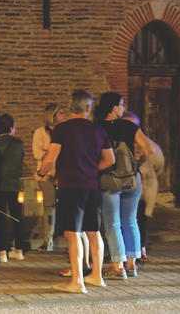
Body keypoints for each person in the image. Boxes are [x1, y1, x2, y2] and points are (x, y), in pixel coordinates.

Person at [38, 89, 115, 294]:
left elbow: (51, 157)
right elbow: (110, 159)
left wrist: (41, 171)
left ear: (71, 106)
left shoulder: (61, 130)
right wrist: (91, 169)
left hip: (70, 186)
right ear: (88, 108)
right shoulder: (98, 130)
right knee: (93, 231)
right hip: (91, 185)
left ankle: (77, 280)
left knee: (72, 233)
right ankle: (97, 275)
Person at [94, 92, 155, 280]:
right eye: (122, 104)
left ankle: (117, 266)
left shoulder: (97, 128)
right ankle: (131, 265)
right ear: (113, 107)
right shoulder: (130, 125)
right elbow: (149, 149)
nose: (123, 108)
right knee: (130, 221)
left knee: (113, 224)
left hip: (109, 179)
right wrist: (136, 163)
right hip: (131, 178)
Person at [123, 111, 164, 263]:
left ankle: (141, 249)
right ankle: (126, 251)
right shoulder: (119, 144)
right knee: (126, 219)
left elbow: (159, 163)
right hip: (125, 187)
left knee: (141, 219)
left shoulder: (149, 145)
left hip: (144, 188)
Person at [31, 103, 67, 252]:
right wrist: (52, 154)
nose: (64, 115)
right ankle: (48, 241)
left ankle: (69, 240)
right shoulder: (40, 133)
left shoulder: (66, 132)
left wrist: (50, 152)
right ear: (52, 116)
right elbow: (38, 153)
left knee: (66, 208)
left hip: (64, 173)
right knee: (49, 207)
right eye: (61, 113)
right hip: (46, 174)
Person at [0, 113, 26, 262]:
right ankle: (19, 250)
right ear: (12, 128)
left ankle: (2, 253)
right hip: (14, 185)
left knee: (0, 219)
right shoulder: (19, 144)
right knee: (17, 217)